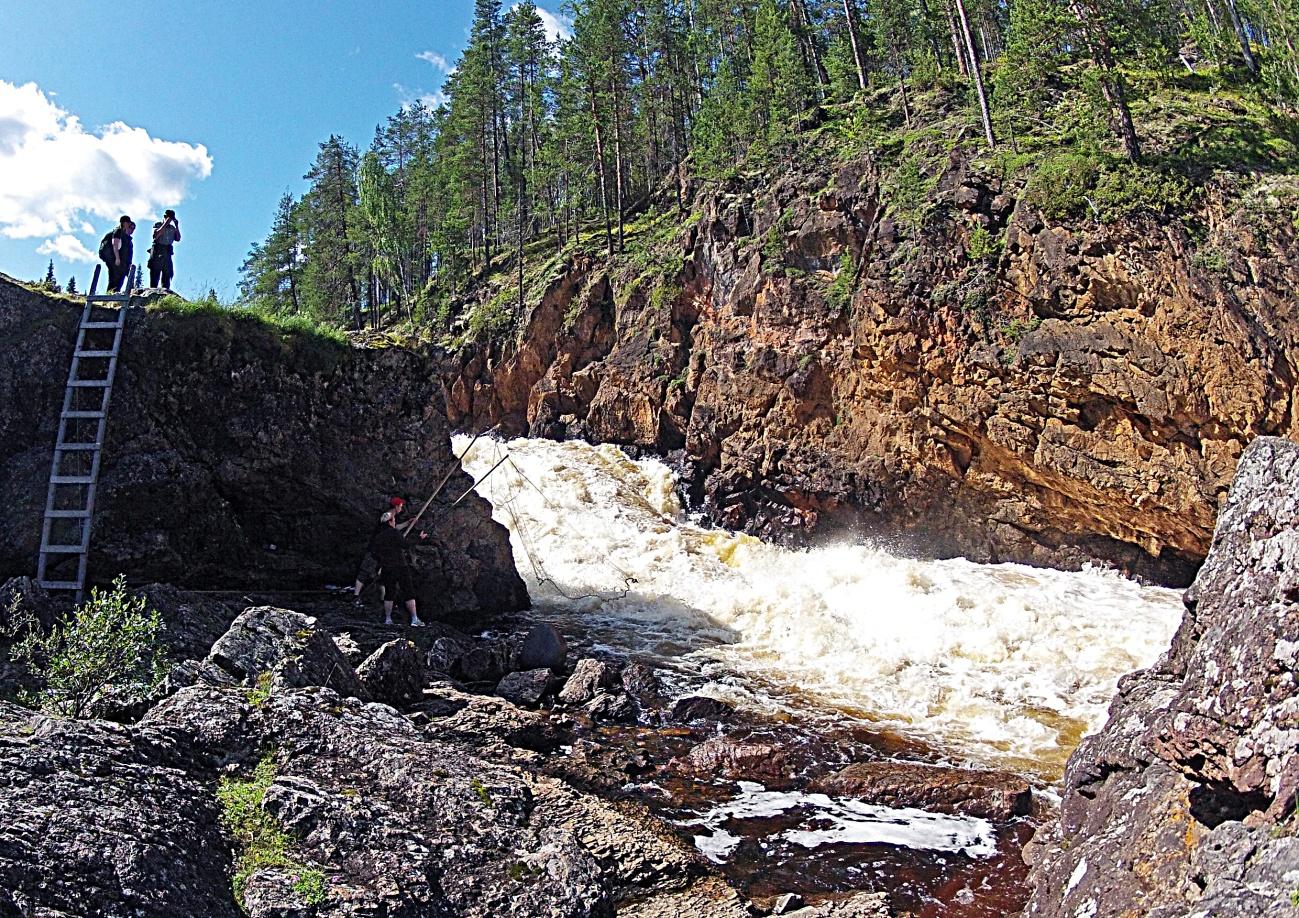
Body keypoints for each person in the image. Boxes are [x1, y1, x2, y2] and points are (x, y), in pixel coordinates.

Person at [368, 507, 429, 627]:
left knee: (389, 593)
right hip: (401, 566)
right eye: (394, 519)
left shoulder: (378, 537)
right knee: (408, 591)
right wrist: (419, 538)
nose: (395, 521)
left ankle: (388, 619)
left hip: (386, 567)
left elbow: (373, 553)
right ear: (390, 522)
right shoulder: (394, 533)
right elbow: (405, 545)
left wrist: (382, 562)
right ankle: (414, 619)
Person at [352, 496, 406, 607]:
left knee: (382, 576)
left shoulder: (393, 518)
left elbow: (395, 529)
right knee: (365, 572)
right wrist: (387, 516)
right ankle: (355, 596)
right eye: (400, 506)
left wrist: (408, 523)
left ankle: (382, 599)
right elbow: (384, 518)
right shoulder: (389, 515)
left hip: (384, 553)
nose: (402, 508)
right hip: (375, 550)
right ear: (396, 506)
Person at [98, 216, 135, 292]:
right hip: (115, 261)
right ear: (124, 223)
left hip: (119, 262)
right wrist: (117, 258)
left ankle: (113, 297)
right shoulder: (118, 231)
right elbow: (115, 245)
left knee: (118, 280)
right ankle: (109, 298)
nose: (129, 225)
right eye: (128, 223)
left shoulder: (124, 235)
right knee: (114, 280)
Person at [149, 210, 181, 289]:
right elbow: (156, 235)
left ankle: (165, 289)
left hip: (167, 251)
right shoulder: (158, 224)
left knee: (167, 272)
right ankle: (153, 289)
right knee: (155, 271)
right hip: (158, 249)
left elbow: (178, 238)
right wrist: (165, 223)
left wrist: (177, 226)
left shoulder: (172, 228)